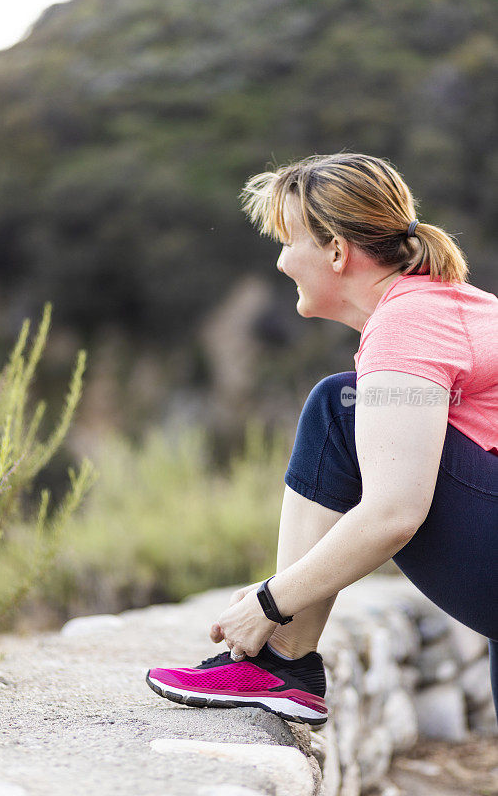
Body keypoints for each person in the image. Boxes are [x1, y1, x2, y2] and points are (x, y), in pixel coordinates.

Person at [146, 152, 498, 727]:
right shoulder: (445, 305)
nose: (282, 262)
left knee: (340, 406)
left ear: (336, 250)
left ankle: (282, 661)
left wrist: (271, 601)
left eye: (287, 241)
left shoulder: (410, 322)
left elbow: (394, 512)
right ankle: (282, 661)